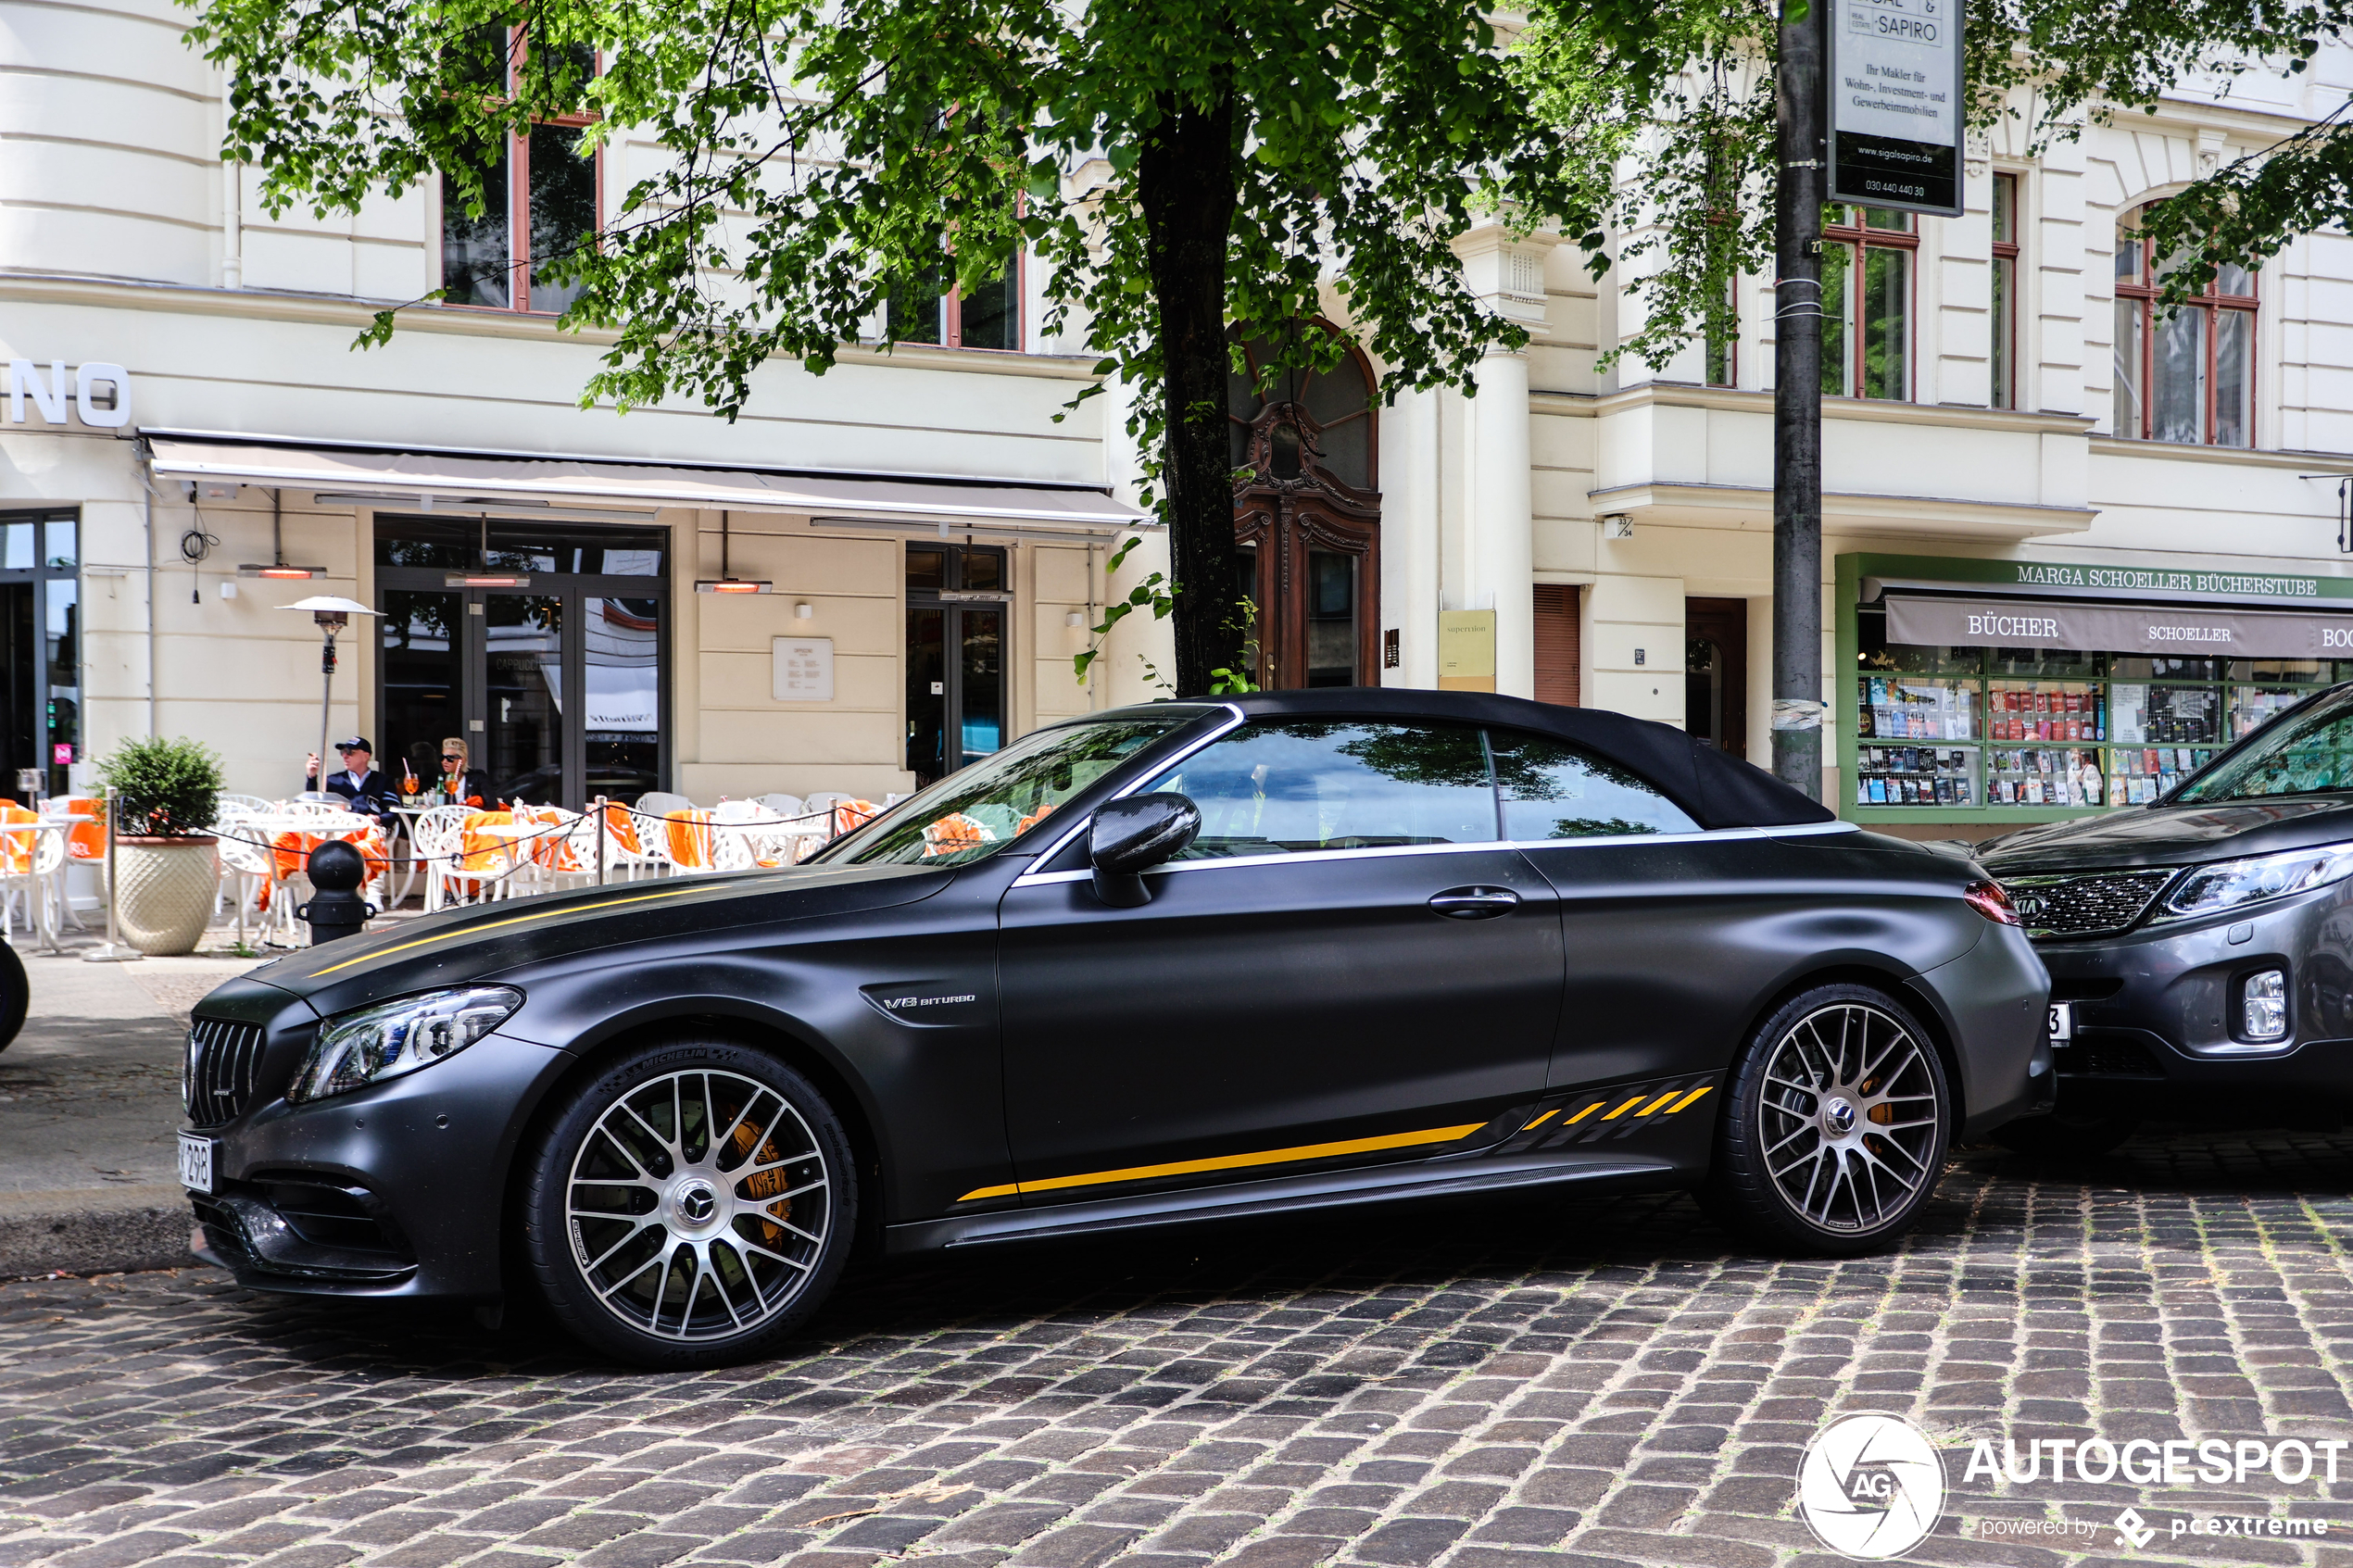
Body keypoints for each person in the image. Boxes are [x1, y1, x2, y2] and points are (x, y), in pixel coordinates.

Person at [304, 737, 397, 824]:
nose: (344, 756)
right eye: (343, 752)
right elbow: (313, 807)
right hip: (341, 829)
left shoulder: (383, 781)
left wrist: (378, 819)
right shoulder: (333, 781)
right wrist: (312, 776)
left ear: (366, 756)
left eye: (349, 752)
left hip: (371, 830)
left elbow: (393, 812)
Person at [435, 737, 491, 808]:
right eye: (442, 758)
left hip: (473, 817)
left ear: (462, 760)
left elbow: (492, 806)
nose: (444, 762)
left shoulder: (478, 778)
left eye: (450, 758)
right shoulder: (441, 780)